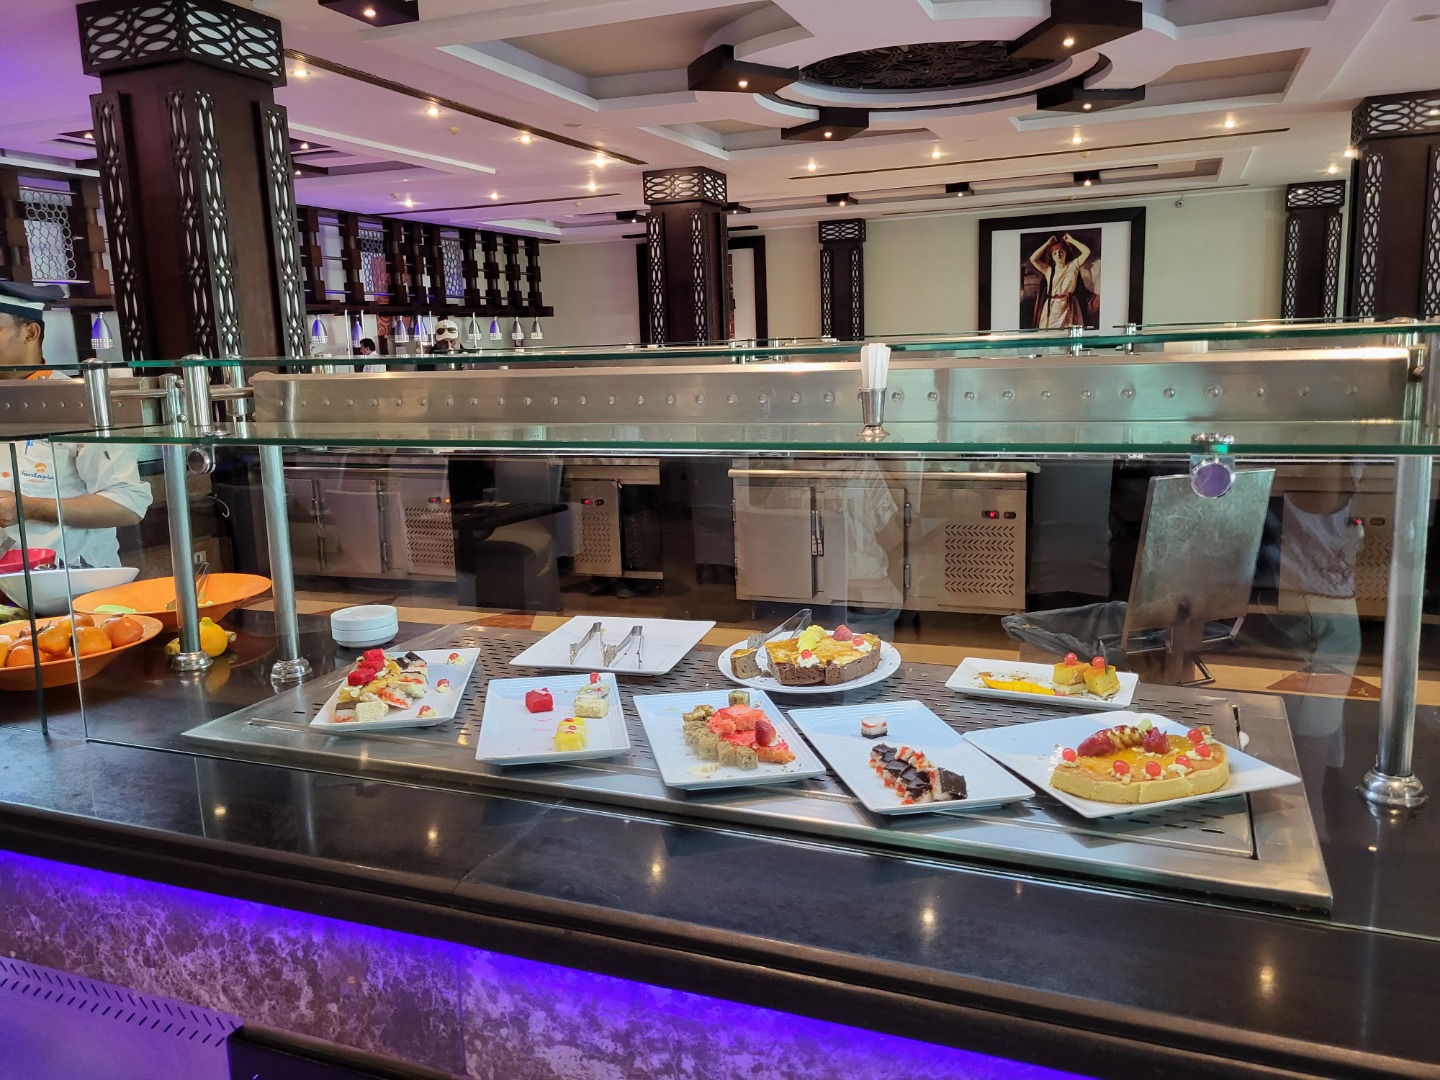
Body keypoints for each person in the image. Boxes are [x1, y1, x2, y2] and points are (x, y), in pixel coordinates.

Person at [0, 282, 152, 568]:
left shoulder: (81, 403)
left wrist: (27, 508)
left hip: (75, 581)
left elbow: (127, 504)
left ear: (30, 333)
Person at [1029, 232, 1091, 329]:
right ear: (1052, 257)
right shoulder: (1049, 270)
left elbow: (1087, 252)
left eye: (1061, 252)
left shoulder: (1073, 266)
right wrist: (1047, 244)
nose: (1058, 255)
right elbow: (1033, 259)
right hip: (1053, 307)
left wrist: (1071, 240)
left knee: (1070, 332)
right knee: (1051, 333)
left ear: (1065, 253)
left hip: (1070, 306)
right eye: (1055, 253)